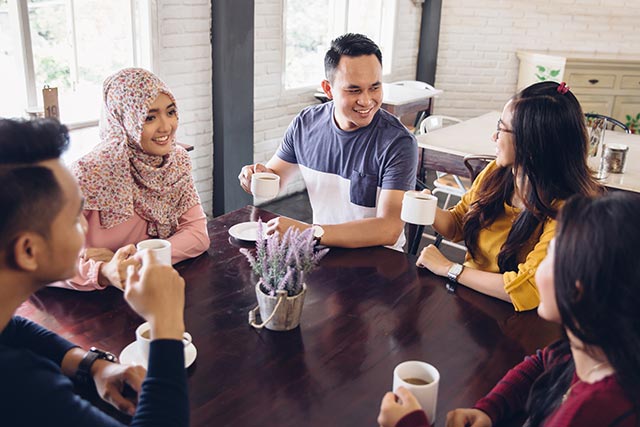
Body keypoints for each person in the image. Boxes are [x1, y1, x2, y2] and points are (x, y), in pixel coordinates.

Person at [378, 192, 640, 427]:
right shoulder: (592, 351)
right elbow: (540, 364)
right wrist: (490, 409)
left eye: (551, 256)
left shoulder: (593, 411)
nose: (537, 267)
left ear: (577, 290)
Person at [0, 118, 189, 426]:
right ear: (28, 251)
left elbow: (14, 331)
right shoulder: (20, 389)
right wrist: (166, 324)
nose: (85, 226)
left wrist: (93, 366)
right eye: (75, 217)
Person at [416, 81, 600, 311]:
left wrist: (450, 269)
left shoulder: (568, 208)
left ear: (532, 142)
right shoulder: (497, 172)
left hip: (520, 320)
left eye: (502, 129)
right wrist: (429, 208)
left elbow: (529, 289)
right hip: (470, 297)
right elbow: (458, 225)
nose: (494, 137)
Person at [238, 33, 418, 251]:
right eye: (354, 90)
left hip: (379, 262)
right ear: (328, 89)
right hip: (321, 251)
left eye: (374, 87)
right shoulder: (305, 124)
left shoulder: (398, 143)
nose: (366, 100)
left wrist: (308, 232)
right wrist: (255, 177)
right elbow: (276, 179)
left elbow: (388, 229)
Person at [57, 68, 209, 291]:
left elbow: (197, 236)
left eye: (170, 112)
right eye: (149, 117)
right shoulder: (89, 173)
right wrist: (102, 272)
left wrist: (134, 258)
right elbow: (39, 263)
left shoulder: (176, 161)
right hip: (89, 305)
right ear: (124, 119)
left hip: (153, 292)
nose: (166, 126)